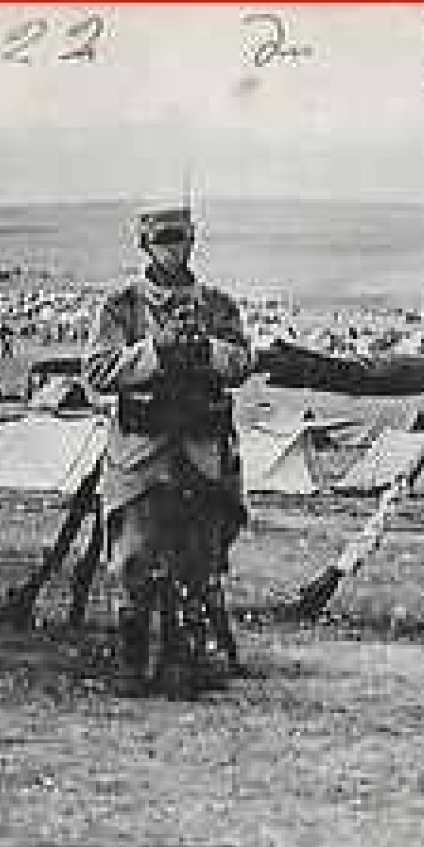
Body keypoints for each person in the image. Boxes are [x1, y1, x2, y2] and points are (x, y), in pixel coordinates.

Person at [82, 206, 254, 696]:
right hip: (141, 454)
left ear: (193, 242)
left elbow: (242, 362)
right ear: (146, 245)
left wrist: (206, 352)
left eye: (181, 239)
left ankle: (187, 662)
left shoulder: (219, 306)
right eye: (163, 240)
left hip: (201, 450)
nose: (173, 249)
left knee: (198, 562)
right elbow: (96, 372)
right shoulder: (121, 308)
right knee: (134, 560)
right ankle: (132, 663)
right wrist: (153, 351)